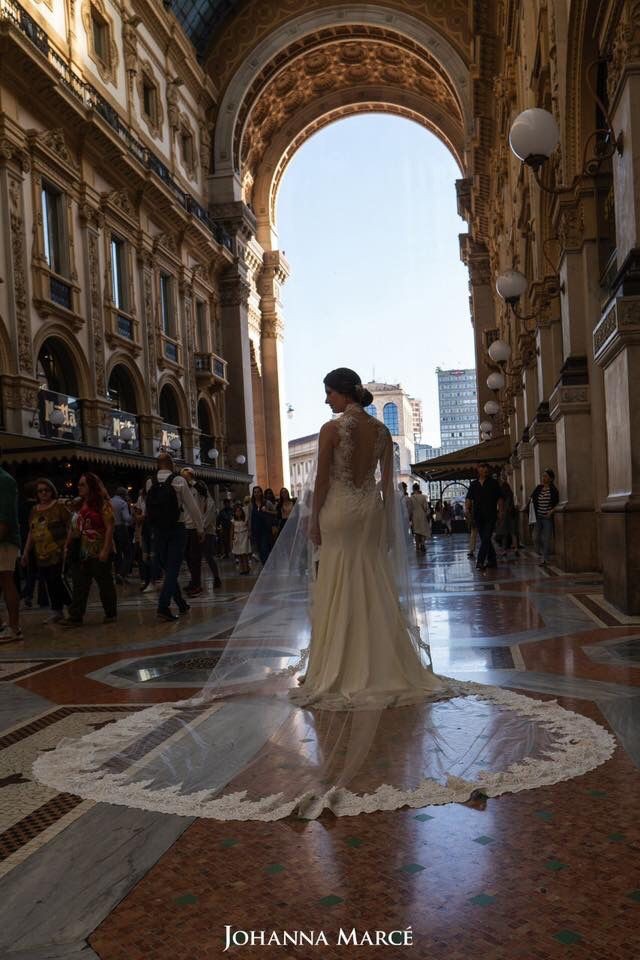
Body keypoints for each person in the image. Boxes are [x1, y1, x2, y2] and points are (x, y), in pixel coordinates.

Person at [291, 368, 448, 709]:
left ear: (343, 393)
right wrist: (390, 526)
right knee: (371, 578)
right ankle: (380, 663)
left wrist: (314, 519)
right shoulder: (381, 431)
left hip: (339, 510)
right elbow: (388, 486)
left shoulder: (331, 429)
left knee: (338, 581)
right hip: (370, 511)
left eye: (329, 393)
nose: (326, 399)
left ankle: (338, 666)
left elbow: (320, 483)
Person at [146, 454, 203, 621]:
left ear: (158, 465)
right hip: (177, 529)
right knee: (173, 569)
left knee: (168, 569)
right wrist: (200, 529)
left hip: (158, 530)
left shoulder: (150, 482)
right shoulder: (178, 481)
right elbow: (192, 507)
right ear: (171, 464)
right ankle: (163, 607)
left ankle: (181, 603)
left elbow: (146, 507)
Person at [62, 473, 117, 626]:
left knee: (104, 582)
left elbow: (109, 526)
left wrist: (106, 549)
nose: (78, 487)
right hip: (81, 550)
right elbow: (73, 528)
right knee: (80, 583)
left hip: (98, 548)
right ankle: (76, 615)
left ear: (91, 486)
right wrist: (67, 545)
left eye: (82, 484)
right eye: (78, 484)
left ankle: (110, 612)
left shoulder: (102, 504)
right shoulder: (79, 504)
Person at [21, 478, 71, 623]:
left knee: (57, 579)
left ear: (51, 491)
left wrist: (67, 545)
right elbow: (32, 531)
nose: (43, 493)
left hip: (57, 550)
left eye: (46, 490)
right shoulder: (34, 510)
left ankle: (71, 605)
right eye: (40, 491)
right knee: (48, 582)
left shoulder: (59, 506)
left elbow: (69, 525)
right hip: (41, 552)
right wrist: (25, 552)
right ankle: (57, 611)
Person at [465, 463, 504, 570]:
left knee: (486, 537)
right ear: (478, 470)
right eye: (481, 467)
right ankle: (492, 560)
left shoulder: (493, 483)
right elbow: (468, 498)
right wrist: (467, 510)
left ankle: (480, 561)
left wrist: (501, 512)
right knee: (485, 539)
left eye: (485, 468)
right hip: (478, 516)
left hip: (491, 515)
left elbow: (500, 498)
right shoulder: (474, 484)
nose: (484, 469)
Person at [0, 462, 22, 642]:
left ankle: (14, 627)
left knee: (6, 578)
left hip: (4, 539)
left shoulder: (5, 480)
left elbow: (5, 515)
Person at [180, 468, 207, 597]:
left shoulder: (199, 488)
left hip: (196, 527)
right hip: (185, 526)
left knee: (195, 557)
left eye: (184, 476)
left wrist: (191, 480)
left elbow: (204, 491)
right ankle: (194, 580)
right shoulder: (183, 490)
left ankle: (197, 584)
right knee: (187, 556)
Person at [529, 468, 559, 565]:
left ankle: (545, 558)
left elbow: (557, 503)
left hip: (547, 517)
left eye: (545, 476)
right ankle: (543, 552)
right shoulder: (538, 488)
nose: (543, 478)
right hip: (538, 517)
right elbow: (531, 497)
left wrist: (551, 511)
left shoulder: (553, 490)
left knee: (546, 538)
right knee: (536, 537)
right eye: (543, 476)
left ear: (551, 478)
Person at [111, 486, 133, 584]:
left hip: (111, 529)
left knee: (117, 553)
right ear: (124, 495)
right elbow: (127, 518)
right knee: (128, 552)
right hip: (121, 528)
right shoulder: (123, 503)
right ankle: (122, 573)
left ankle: (117, 576)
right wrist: (132, 513)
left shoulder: (109, 501)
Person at [202, 486, 222, 588]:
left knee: (209, 556)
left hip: (209, 533)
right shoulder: (199, 500)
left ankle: (216, 577)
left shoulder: (210, 502)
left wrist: (201, 528)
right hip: (199, 531)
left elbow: (208, 518)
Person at [250, 485, 272, 565]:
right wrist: (250, 531)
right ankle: (264, 565)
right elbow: (249, 518)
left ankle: (267, 566)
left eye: (258, 492)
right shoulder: (251, 505)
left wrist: (267, 511)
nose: (256, 494)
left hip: (265, 529)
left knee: (264, 549)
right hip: (256, 530)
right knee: (259, 550)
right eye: (255, 492)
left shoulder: (267, 503)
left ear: (261, 493)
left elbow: (276, 513)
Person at [407, 482, 430, 553]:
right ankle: (423, 544)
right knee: (422, 531)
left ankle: (417, 546)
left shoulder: (411, 498)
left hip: (415, 516)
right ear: (419, 489)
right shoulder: (423, 497)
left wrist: (409, 517)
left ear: (413, 489)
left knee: (417, 532)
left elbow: (410, 509)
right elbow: (426, 508)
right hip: (422, 515)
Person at [231, 504, 251, 574]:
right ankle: (242, 569)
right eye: (236, 511)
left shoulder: (245, 520)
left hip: (244, 537)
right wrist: (231, 538)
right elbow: (232, 530)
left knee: (244, 554)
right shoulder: (233, 521)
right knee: (239, 554)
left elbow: (248, 527)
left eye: (239, 511)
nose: (238, 513)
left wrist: (249, 534)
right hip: (237, 538)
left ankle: (246, 568)